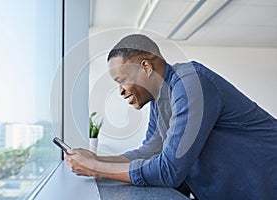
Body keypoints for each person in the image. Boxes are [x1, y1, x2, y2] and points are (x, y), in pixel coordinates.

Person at [65, 34, 277, 200]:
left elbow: (169, 169)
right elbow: (150, 151)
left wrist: (95, 169)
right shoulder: (160, 100)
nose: (120, 91)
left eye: (122, 80)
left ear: (146, 67)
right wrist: (97, 158)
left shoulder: (190, 82)